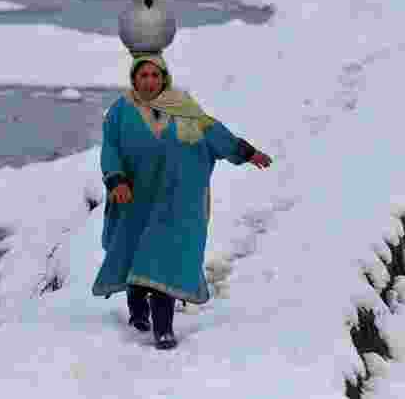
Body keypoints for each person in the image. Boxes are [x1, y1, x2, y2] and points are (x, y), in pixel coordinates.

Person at [92, 53, 272, 350]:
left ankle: (164, 329)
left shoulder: (186, 110)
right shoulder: (120, 111)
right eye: (143, 76)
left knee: (166, 261)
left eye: (154, 75)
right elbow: (110, 148)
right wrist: (116, 179)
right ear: (134, 79)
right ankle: (138, 311)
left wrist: (248, 153)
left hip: (175, 204)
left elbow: (217, 134)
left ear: (164, 78)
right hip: (136, 200)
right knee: (137, 256)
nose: (149, 81)